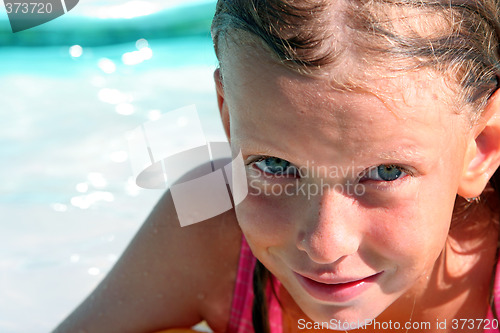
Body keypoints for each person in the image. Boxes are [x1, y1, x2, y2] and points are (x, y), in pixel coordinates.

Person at [52, 0, 500, 332]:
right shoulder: (210, 222)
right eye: (273, 165)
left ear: (481, 145)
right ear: (228, 117)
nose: (325, 245)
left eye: (385, 173)